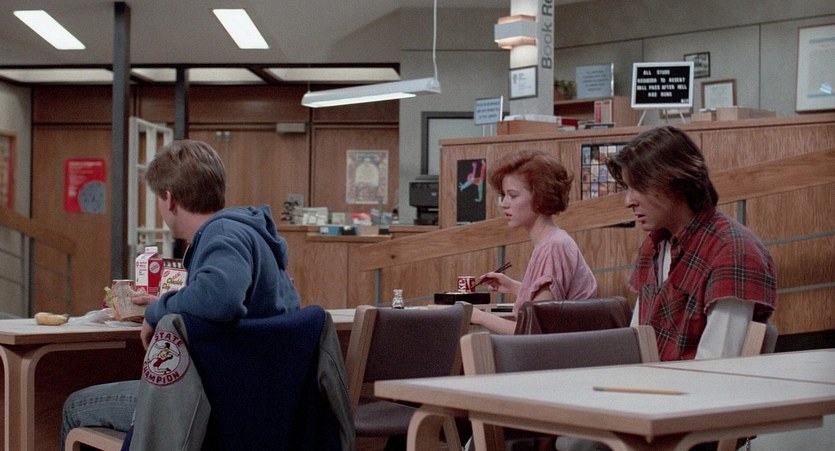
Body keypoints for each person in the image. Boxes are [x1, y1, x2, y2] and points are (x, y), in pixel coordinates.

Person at [61, 139, 301, 447]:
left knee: (75, 407)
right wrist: (168, 304)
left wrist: (156, 311)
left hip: (218, 402)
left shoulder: (222, 234)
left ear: (169, 198)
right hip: (264, 398)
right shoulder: (251, 234)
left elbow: (220, 298)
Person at [606, 125, 776, 361]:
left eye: (639, 187)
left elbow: (717, 365)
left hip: (695, 384)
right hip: (648, 381)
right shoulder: (654, 245)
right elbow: (638, 344)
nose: (628, 201)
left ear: (675, 182)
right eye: (627, 188)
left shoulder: (733, 252)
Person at [470, 149, 598, 335]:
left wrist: (477, 316)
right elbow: (548, 307)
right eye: (503, 195)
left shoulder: (554, 247)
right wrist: (513, 286)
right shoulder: (552, 241)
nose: (504, 203)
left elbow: (533, 332)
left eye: (513, 195)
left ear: (540, 197)